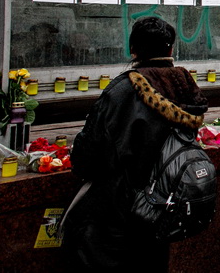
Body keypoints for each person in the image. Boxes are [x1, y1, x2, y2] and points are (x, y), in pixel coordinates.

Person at [65, 17, 208, 270]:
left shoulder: (123, 90)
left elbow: (88, 155)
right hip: (161, 207)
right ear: (171, 50)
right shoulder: (185, 88)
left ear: (133, 50)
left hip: (117, 212)